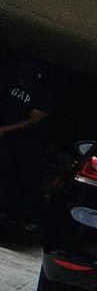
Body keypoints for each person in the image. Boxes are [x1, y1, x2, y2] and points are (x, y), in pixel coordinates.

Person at [0, 58, 52, 236]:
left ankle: (30, 218)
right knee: (6, 174)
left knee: (29, 179)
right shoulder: (12, 85)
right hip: (9, 142)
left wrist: (6, 129)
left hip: (29, 144)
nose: (23, 81)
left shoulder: (41, 94)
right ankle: (7, 211)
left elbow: (34, 121)